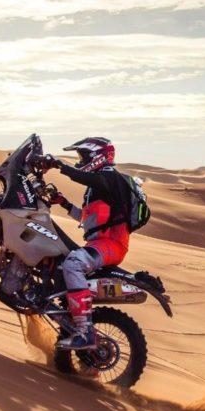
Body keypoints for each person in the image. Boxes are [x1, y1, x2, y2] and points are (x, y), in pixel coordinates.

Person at [35, 137, 133, 350]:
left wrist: (60, 165)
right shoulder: (98, 188)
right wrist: (64, 203)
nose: (80, 161)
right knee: (59, 264)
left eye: (83, 156)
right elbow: (88, 220)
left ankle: (85, 332)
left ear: (97, 156)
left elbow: (84, 177)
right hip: (99, 243)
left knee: (73, 264)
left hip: (112, 244)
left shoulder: (110, 178)